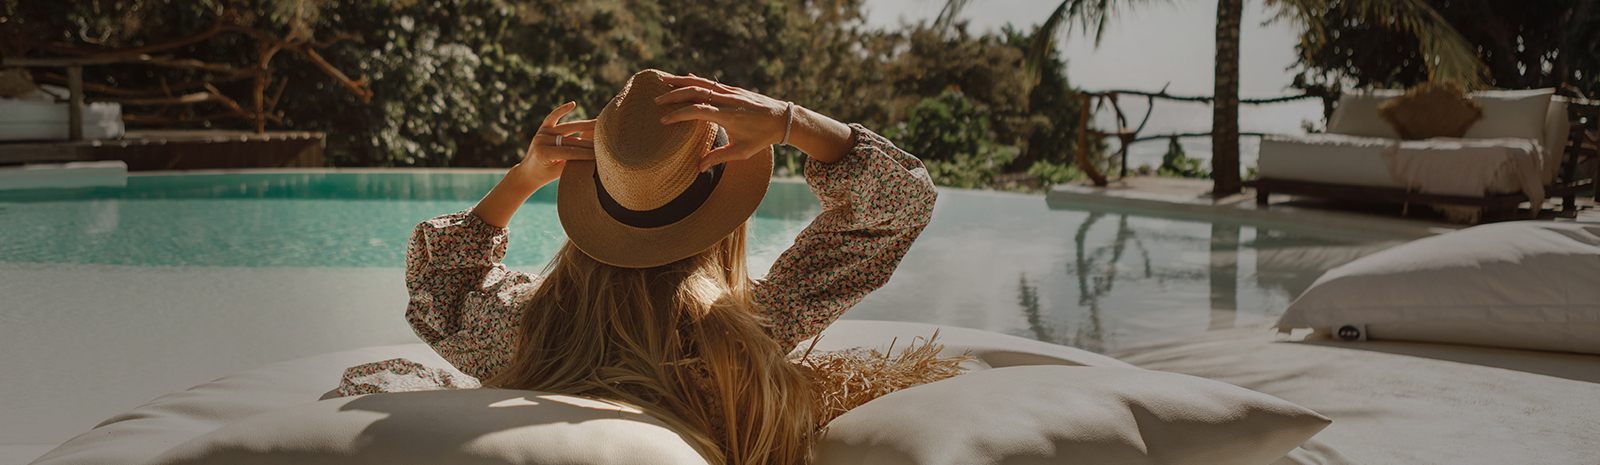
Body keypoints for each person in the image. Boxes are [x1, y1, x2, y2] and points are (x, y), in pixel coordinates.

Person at [335, 69, 949, 465]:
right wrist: (791, 122)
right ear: (724, 213)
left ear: (596, 197)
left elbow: (440, 285)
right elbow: (898, 204)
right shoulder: (750, 330)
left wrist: (520, 179)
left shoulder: (524, 331)